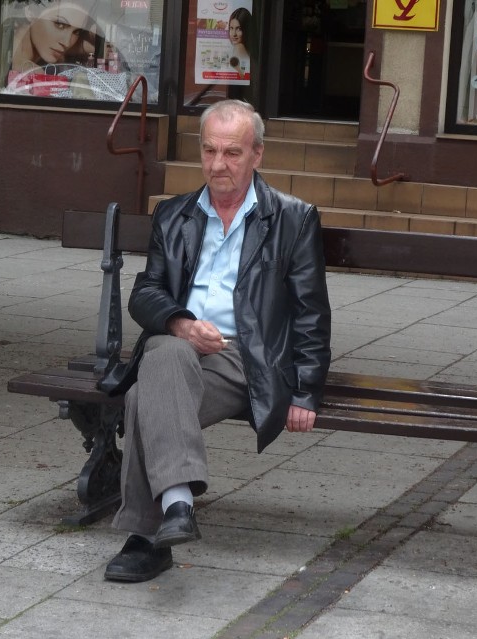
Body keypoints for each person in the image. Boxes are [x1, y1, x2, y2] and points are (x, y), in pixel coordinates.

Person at [99, 99, 332, 583]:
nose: (218, 164)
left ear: (257, 155)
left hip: (248, 358)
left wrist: (307, 390)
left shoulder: (293, 219)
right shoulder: (174, 215)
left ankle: (148, 533)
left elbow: (311, 312)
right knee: (163, 357)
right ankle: (176, 509)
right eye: (209, 151)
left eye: (232, 152)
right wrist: (182, 324)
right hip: (183, 351)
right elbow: (146, 293)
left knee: (147, 391)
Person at [4, 0, 98, 80]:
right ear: (30, 11)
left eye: (77, 32)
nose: (67, 42)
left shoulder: (45, 51)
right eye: (59, 24)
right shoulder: (2, 56)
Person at [227, 8, 251, 78]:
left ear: (247, 30)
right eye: (231, 28)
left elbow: (242, 77)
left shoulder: (239, 47)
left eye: (239, 29)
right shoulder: (247, 49)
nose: (234, 34)